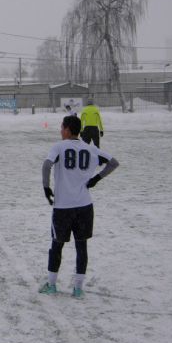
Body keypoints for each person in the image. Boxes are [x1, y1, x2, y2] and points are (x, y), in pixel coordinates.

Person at [39, 115, 119, 298]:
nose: (60, 131)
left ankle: (51, 285)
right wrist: (96, 179)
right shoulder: (91, 148)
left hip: (63, 207)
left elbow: (46, 166)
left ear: (67, 129)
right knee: (81, 247)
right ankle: (78, 289)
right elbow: (114, 163)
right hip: (84, 206)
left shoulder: (59, 146)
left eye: (61, 127)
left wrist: (46, 187)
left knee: (56, 245)